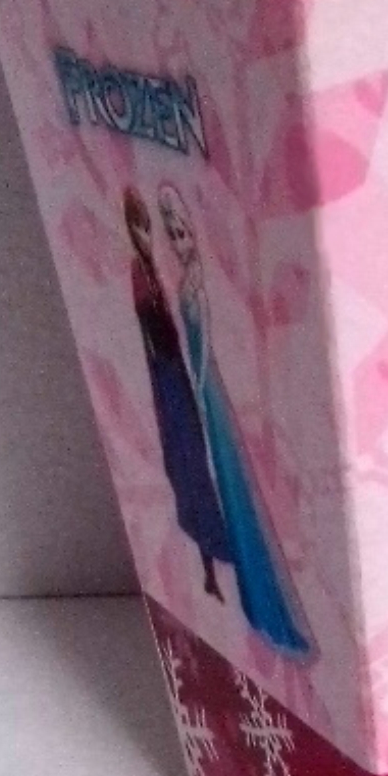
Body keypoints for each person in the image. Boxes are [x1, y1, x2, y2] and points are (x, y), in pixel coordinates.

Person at [156, 183, 314, 657]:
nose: (180, 241)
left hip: (211, 392)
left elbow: (202, 347)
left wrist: (203, 387)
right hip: (205, 392)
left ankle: (267, 606)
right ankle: (257, 603)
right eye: (173, 234)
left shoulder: (196, 281)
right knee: (228, 490)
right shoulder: (185, 282)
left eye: (183, 232)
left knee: (235, 490)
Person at [123, 186, 230, 598]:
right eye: (141, 227)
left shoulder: (153, 270)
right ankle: (207, 570)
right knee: (187, 469)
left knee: (196, 468)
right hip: (167, 376)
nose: (147, 235)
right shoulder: (140, 272)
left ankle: (210, 567)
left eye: (147, 227)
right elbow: (152, 328)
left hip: (177, 374)